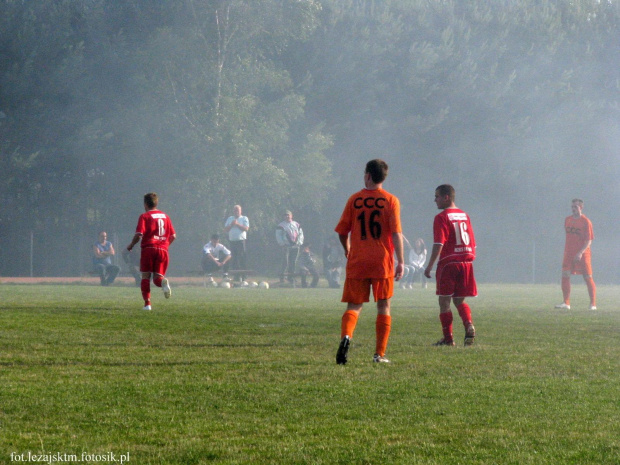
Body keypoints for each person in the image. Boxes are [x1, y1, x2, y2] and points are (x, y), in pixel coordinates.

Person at [335, 159, 404, 364]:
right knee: (383, 306)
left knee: (354, 306)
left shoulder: (354, 199)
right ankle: (379, 354)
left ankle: (346, 337)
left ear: (367, 175)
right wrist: (401, 261)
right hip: (382, 261)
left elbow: (341, 231)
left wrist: (347, 248)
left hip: (358, 260)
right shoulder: (391, 200)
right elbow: (396, 233)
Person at [424, 184, 476, 346]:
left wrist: (430, 265)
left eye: (437, 196)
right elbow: (473, 244)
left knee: (444, 302)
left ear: (446, 197)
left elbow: (439, 243)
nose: (435, 200)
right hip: (466, 262)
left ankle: (448, 339)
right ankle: (469, 325)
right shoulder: (464, 215)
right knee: (459, 301)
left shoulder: (441, 217)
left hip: (449, 264)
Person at [126, 193, 176, 311]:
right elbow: (173, 235)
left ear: (145, 204)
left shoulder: (145, 216)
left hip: (149, 249)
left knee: (145, 277)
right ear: (156, 203)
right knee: (158, 278)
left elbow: (139, 234)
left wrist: (131, 245)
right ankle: (163, 282)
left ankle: (147, 304)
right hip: (163, 250)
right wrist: (165, 246)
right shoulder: (166, 216)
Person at [555, 198, 597, 310]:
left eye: (576, 207)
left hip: (583, 254)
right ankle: (566, 303)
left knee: (588, 276)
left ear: (581, 207)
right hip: (568, 253)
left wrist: (580, 252)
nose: (573, 209)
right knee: (565, 275)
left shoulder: (586, 221)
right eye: (572, 207)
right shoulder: (567, 220)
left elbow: (589, 240)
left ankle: (593, 304)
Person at [276, 210, 304, 285]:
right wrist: (282, 244)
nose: (287, 216)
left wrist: (299, 243)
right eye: (285, 215)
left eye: (288, 215)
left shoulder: (297, 224)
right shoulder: (281, 226)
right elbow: (278, 236)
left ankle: (291, 277)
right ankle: (282, 277)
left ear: (291, 216)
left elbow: (301, 234)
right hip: (286, 246)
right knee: (285, 262)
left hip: (295, 246)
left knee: (293, 262)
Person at [224, 205, 249, 282]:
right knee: (234, 259)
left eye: (238, 210)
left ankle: (244, 276)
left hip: (241, 241)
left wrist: (237, 224)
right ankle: (236, 276)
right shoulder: (230, 219)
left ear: (240, 211)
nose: (236, 212)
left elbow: (246, 228)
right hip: (232, 241)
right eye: (235, 210)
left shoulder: (244, 218)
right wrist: (231, 224)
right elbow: (226, 229)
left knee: (241, 258)